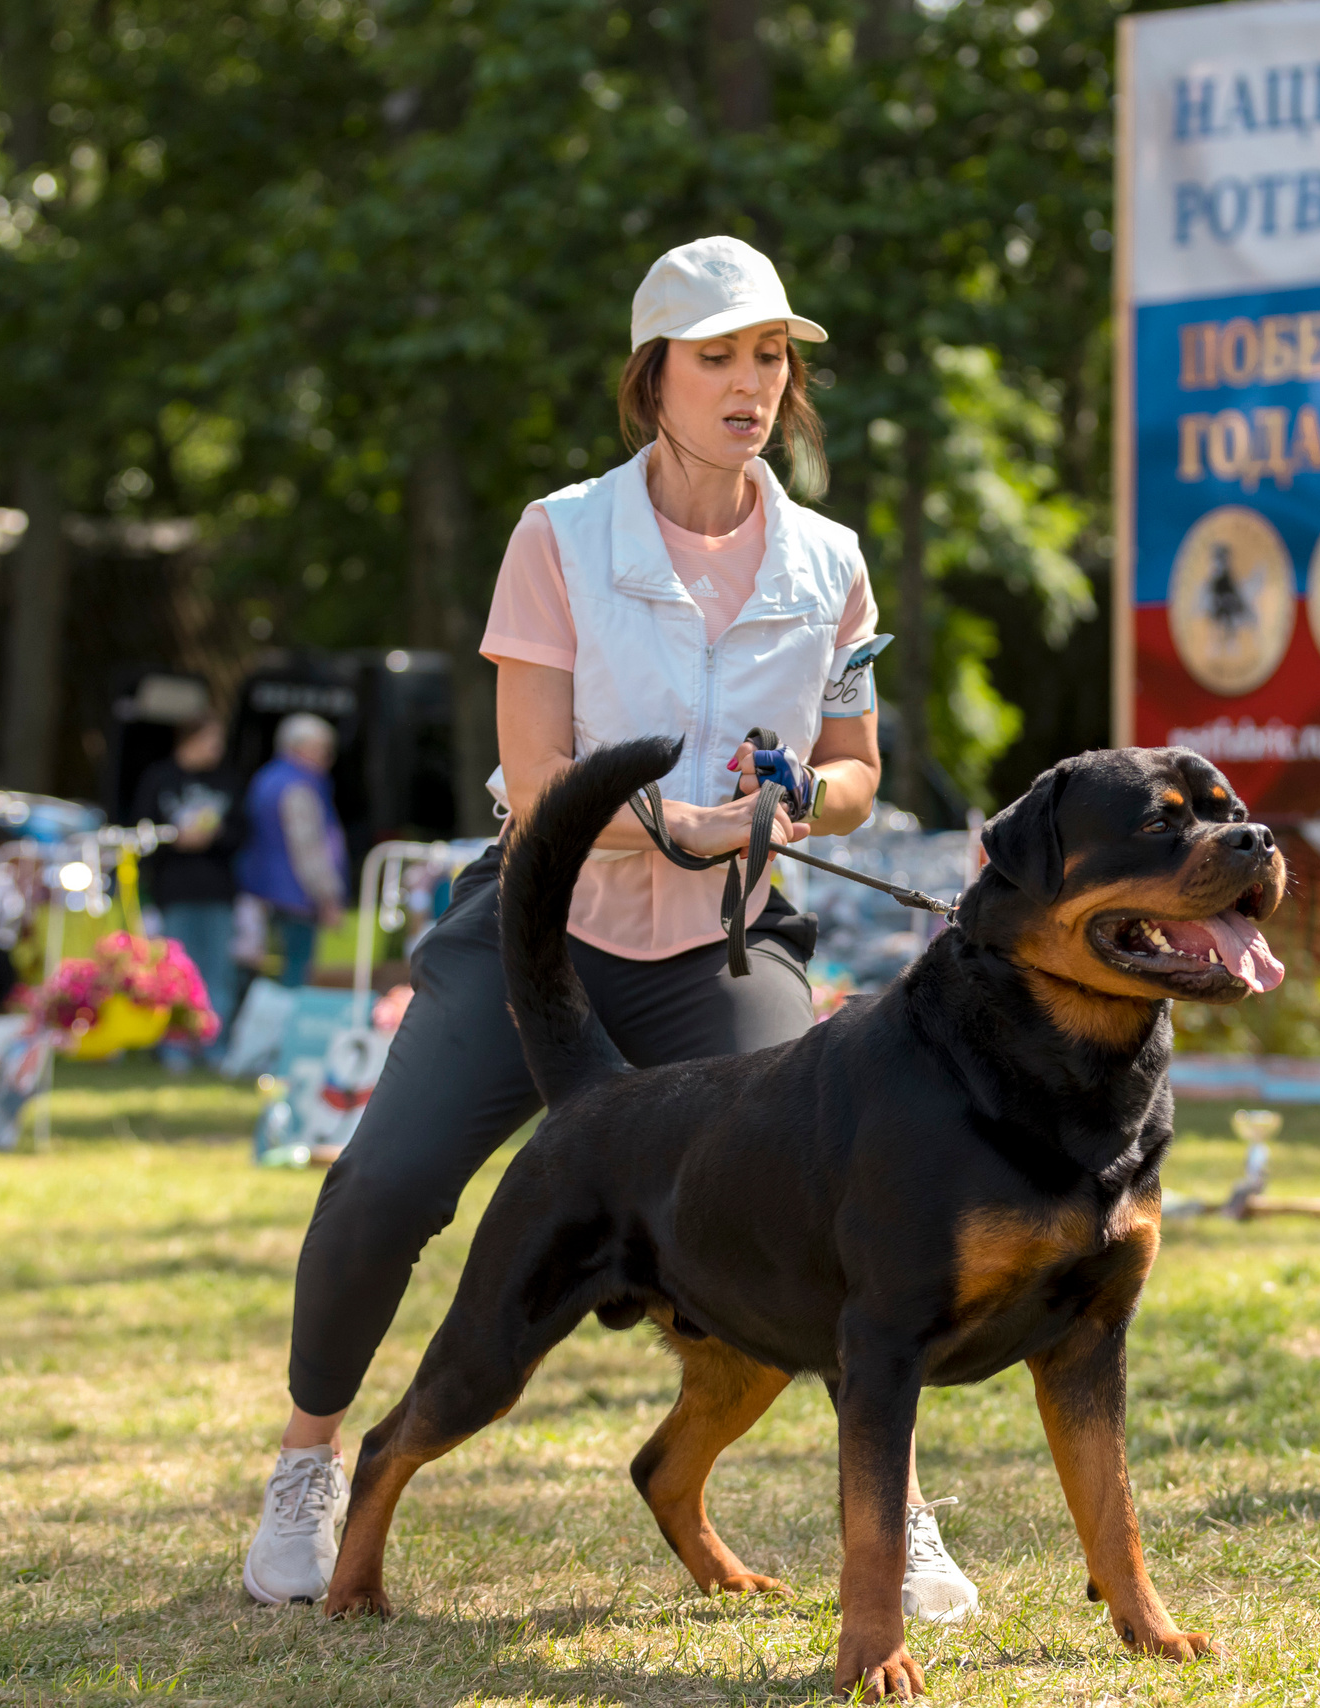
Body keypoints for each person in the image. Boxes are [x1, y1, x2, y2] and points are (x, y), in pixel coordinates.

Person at [243, 236, 980, 1622]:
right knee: (384, 1185)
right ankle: (306, 1467)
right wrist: (680, 825)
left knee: (845, 1209)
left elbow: (860, 775)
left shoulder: (831, 559)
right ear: (655, 378)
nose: (751, 385)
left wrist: (788, 804)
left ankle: (907, 1514)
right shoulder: (559, 533)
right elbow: (537, 790)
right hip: (544, 928)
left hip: (723, 950)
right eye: (719, 358)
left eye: (771, 358)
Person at [130, 713, 246, 1058]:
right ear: (189, 740)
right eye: (211, 739)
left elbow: (244, 831)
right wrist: (175, 839)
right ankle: (174, 1052)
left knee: (218, 974)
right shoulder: (159, 778)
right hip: (175, 891)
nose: (217, 748)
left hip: (218, 891)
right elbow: (141, 834)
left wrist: (217, 835)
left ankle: (214, 1050)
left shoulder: (227, 780)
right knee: (175, 974)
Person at [234, 714, 347, 990]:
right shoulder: (299, 786)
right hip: (295, 895)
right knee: (295, 972)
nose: (327, 759)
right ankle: (283, 1032)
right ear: (300, 748)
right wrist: (327, 896)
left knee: (260, 970)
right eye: (323, 749)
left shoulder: (266, 778)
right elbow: (307, 846)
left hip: (259, 888)